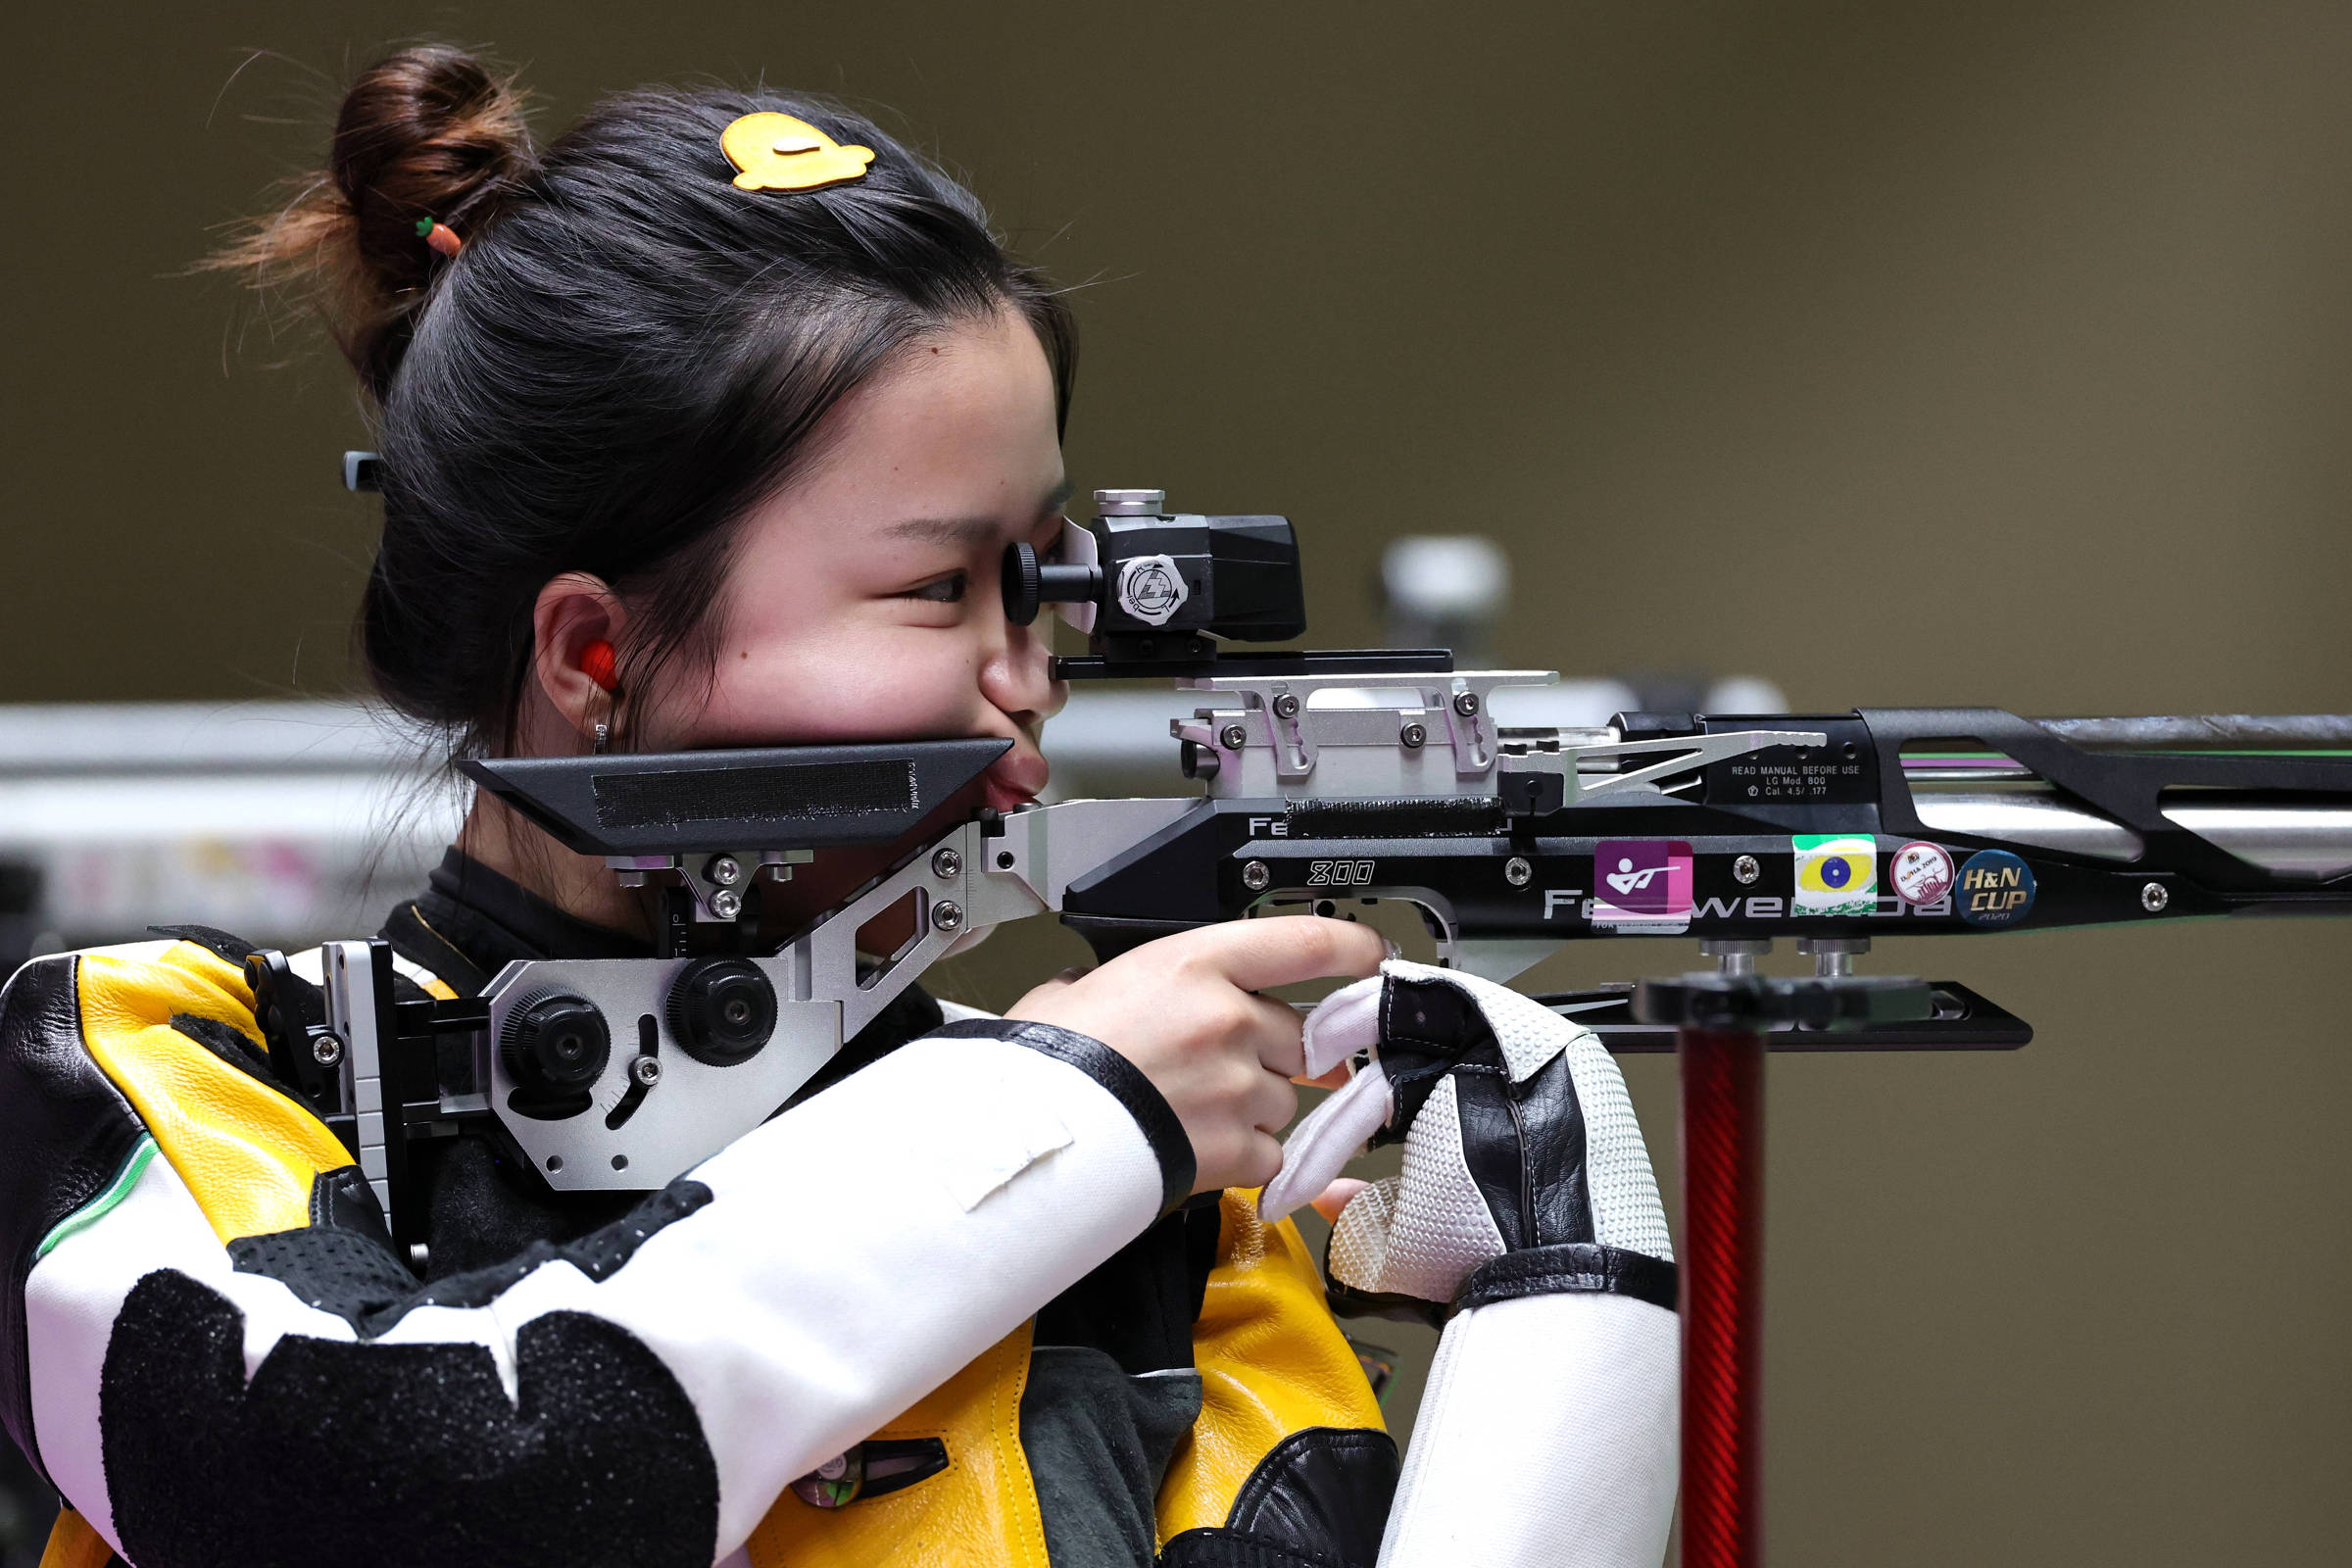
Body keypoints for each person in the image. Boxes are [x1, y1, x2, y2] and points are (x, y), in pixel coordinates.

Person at [0, 46, 1678, 1568]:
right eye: (938, 589)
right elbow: (387, 1490)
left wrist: (1570, 1299)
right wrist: (1057, 1122)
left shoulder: (1156, 1205)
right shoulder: (153, 1061)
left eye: (1036, 588)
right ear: (593, 653)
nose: (1026, 677)